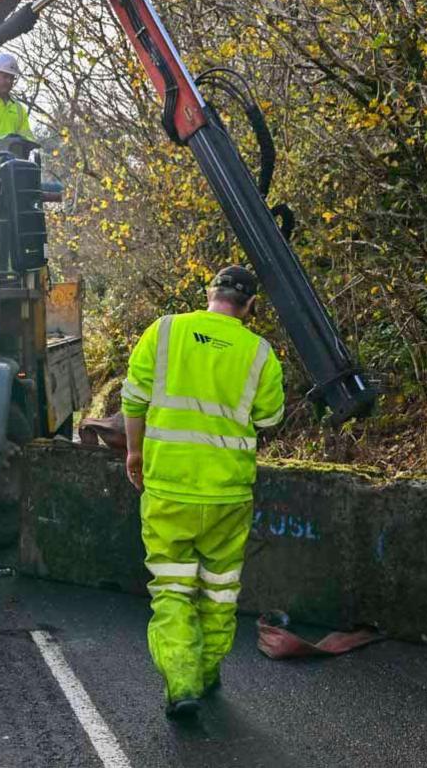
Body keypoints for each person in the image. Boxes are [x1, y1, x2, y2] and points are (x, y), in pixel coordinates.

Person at [120, 265, 286, 718]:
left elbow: (133, 400)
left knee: (172, 590)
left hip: (169, 489)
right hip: (228, 495)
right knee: (219, 591)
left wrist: (135, 454)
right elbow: (270, 419)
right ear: (251, 305)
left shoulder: (166, 330)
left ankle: (182, 680)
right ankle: (207, 672)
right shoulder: (260, 353)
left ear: (209, 292)